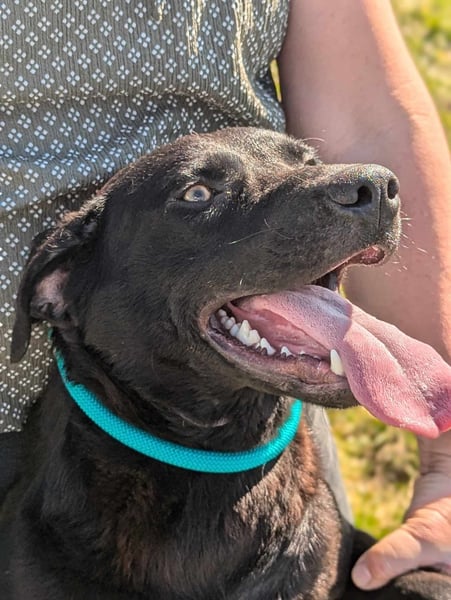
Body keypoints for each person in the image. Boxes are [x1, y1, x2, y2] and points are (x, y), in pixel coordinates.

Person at [0, 0, 450, 591]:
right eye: (197, 195)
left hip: (271, 450)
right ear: (57, 290)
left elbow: (370, 116)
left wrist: (447, 463)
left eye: (306, 162)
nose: (356, 182)